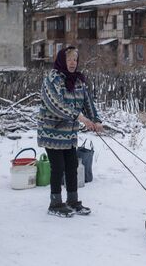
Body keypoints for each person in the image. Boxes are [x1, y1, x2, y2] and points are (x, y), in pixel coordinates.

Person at [38, 46, 104, 217]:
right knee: (58, 167)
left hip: (69, 134)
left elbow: (87, 102)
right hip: (51, 132)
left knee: (72, 166)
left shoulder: (78, 81)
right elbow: (56, 105)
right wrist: (81, 118)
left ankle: (73, 201)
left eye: (75, 59)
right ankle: (55, 203)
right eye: (69, 60)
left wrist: (96, 120)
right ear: (62, 61)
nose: (73, 63)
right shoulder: (52, 80)